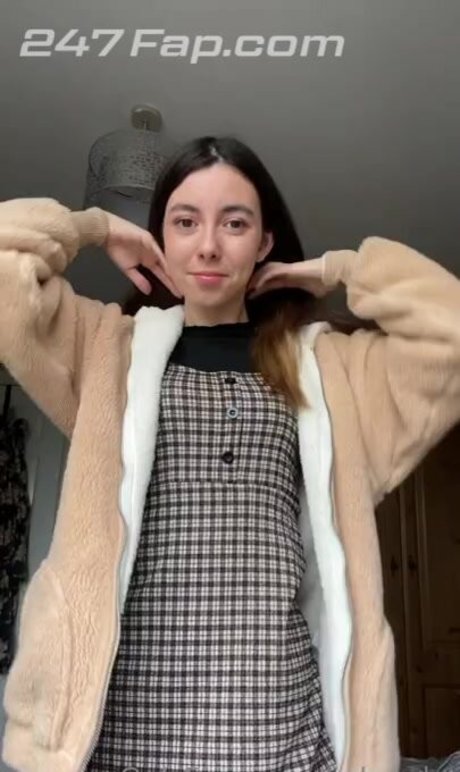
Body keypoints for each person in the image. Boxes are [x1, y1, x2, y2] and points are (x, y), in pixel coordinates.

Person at [0, 135, 459, 772]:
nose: (209, 245)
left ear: (265, 242)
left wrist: (338, 269)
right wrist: (95, 227)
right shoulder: (106, 349)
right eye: (185, 222)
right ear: (160, 237)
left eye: (235, 223)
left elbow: (449, 335)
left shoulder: (327, 367)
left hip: (283, 735)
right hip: (124, 735)